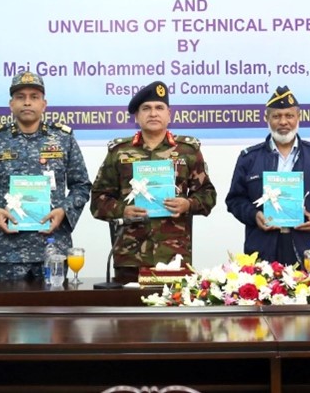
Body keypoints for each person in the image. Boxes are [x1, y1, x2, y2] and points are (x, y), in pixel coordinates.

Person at [90, 81, 216, 281]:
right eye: (146, 108)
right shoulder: (119, 152)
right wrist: (122, 210)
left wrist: (187, 204)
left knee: (174, 303)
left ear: (169, 114)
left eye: (159, 108)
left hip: (174, 256)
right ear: (137, 116)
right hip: (130, 257)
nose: (153, 113)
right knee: (127, 303)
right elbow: (98, 200)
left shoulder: (188, 151)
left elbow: (208, 195)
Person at [0, 72, 91, 281]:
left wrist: (64, 211)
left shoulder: (63, 138)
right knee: (6, 303)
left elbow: (81, 185)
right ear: (11, 104)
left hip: (53, 247)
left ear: (44, 104)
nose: (27, 102)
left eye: (34, 97)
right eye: (20, 97)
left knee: (54, 303)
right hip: (8, 250)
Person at [225, 86, 310, 264]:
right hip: (262, 248)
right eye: (276, 116)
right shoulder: (249, 158)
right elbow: (235, 200)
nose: (283, 122)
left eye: (289, 116)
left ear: (298, 117)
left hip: (306, 248)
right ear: (266, 118)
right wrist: (254, 215)